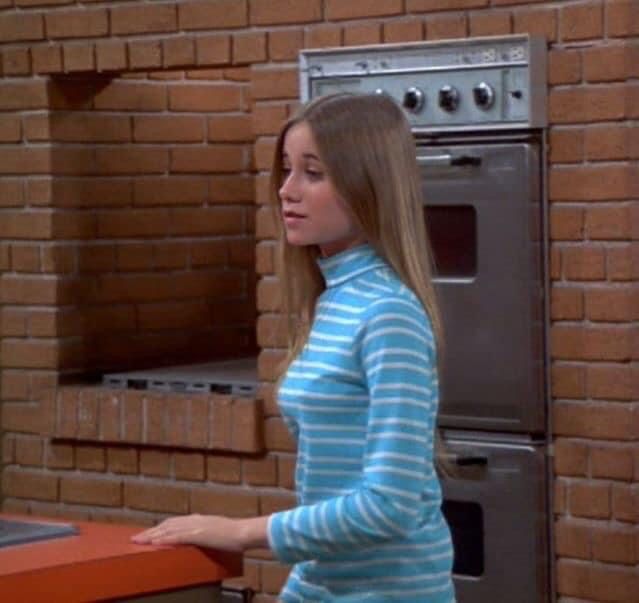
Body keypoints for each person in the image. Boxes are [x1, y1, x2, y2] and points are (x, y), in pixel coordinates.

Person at [133, 92, 455, 602]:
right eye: (286, 170)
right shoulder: (333, 303)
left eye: (313, 173)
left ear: (368, 186)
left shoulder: (388, 314)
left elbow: (389, 505)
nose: (287, 191)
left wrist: (241, 532)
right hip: (323, 583)